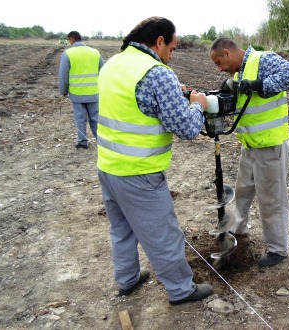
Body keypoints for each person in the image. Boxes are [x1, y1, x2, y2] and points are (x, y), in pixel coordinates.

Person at [96, 16, 214, 305]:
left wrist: (173, 93)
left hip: (109, 167)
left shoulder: (114, 63)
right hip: (140, 172)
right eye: (172, 48)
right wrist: (197, 105)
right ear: (159, 41)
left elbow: (135, 103)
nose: (171, 55)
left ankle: (127, 280)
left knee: (122, 230)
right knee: (164, 233)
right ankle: (181, 289)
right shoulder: (157, 73)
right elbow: (186, 128)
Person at [210, 37, 289, 267]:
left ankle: (278, 249)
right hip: (250, 145)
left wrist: (257, 85)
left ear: (227, 52)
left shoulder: (263, 60)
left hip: (270, 146)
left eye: (218, 62)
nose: (219, 68)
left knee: (271, 200)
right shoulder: (238, 74)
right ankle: (238, 227)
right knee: (243, 191)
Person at [58, 31, 104, 149]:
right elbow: (103, 71)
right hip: (94, 92)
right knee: (95, 118)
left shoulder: (67, 54)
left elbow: (63, 74)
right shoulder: (95, 53)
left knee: (80, 119)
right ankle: (101, 141)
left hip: (77, 93)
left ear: (72, 39)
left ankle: (82, 142)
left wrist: (63, 90)